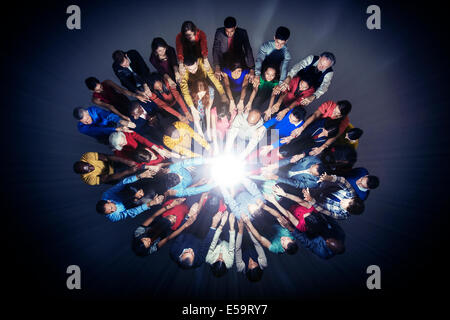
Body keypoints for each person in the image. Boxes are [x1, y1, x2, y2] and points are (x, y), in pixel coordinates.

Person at [281, 100, 352, 156]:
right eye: (334, 110)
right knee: (297, 136)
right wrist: (301, 128)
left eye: (337, 114)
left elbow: (335, 136)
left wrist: (323, 147)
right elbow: (315, 115)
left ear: (343, 115)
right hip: (313, 124)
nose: (333, 114)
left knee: (302, 147)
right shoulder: (329, 105)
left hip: (320, 136)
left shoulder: (345, 121)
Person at [132, 198, 198, 256]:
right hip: (166, 230)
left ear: (140, 238)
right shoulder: (152, 249)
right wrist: (186, 224)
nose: (149, 240)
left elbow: (153, 216)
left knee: (176, 203)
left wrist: (171, 205)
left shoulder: (138, 233)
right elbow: (168, 238)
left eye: (145, 239)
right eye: (149, 243)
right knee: (184, 224)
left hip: (158, 222)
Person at [96, 170, 164, 222]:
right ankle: (164, 191)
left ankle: (157, 174)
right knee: (149, 200)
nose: (114, 209)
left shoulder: (107, 194)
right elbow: (132, 212)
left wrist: (141, 175)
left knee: (134, 183)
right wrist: (150, 203)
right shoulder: (113, 217)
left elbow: (122, 184)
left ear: (108, 201)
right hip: (130, 205)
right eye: (111, 212)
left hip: (127, 191)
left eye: (111, 208)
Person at [84, 77, 149, 121]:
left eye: (101, 86)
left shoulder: (107, 82)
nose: (101, 89)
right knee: (132, 119)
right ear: (92, 91)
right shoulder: (95, 99)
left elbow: (122, 90)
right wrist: (122, 116)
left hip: (123, 100)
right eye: (98, 90)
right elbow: (110, 106)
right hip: (116, 108)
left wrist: (136, 95)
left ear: (100, 82)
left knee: (139, 111)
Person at [212, 16, 255, 81]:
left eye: (232, 31)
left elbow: (248, 49)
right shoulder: (219, 32)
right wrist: (217, 66)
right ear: (224, 28)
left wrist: (252, 68)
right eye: (227, 31)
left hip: (238, 61)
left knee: (244, 79)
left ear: (235, 27)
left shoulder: (242, 33)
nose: (229, 34)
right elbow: (216, 49)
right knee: (222, 79)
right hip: (224, 59)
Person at [109, 130, 175, 165]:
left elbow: (143, 140)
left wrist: (157, 149)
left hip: (143, 149)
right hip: (139, 158)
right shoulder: (118, 152)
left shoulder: (128, 133)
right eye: (121, 144)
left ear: (123, 135)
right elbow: (131, 162)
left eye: (123, 141)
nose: (124, 143)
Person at [73, 152, 139, 185]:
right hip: (111, 176)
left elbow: (107, 157)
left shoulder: (87, 157)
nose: (92, 168)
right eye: (89, 170)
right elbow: (108, 178)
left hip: (111, 162)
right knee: (129, 178)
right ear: (84, 174)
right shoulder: (88, 179)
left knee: (130, 161)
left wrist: (126, 161)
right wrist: (128, 172)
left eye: (89, 165)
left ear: (85, 161)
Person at [206, 212, 236, 277]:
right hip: (228, 240)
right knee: (232, 221)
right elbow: (231, 246)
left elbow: (213, 243)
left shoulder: (208, 259)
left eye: (218, 259)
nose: (220, 257)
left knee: (219, 218)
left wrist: (221, 224)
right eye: (223, 260)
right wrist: (232, 225)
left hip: (217, 240)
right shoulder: (229, 263)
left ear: (213, 264)